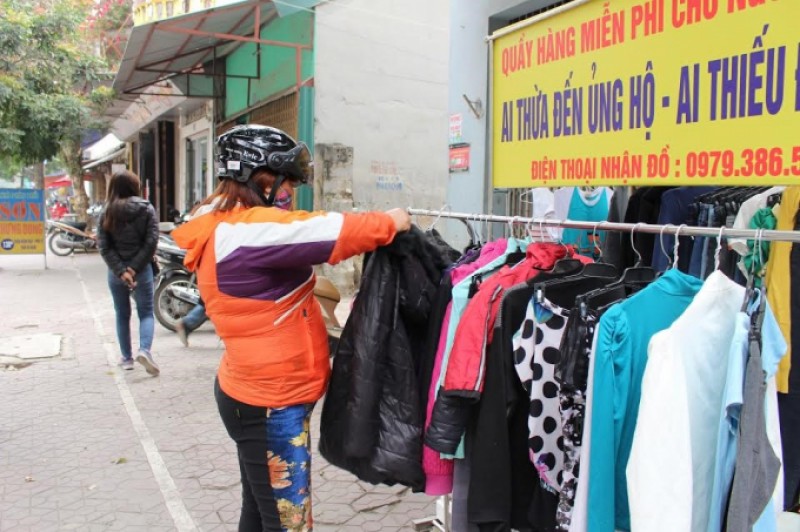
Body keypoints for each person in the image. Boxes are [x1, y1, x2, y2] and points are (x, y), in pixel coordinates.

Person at [172, 124, 410, 531]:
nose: (289, 192)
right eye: (283, 182)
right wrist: (393, 221)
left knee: (261, 513)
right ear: (256, 179)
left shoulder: (224, 221)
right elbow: (330, 230)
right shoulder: (244, 233)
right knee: (288, 523)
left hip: (259, 396)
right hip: (269, 405)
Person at [97, 170, 160, 375]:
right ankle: (145, 350)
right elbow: (151, 242)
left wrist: (122, 271)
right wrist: (134, 268)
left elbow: (104, 247)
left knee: (122, 315)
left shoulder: (107, 211)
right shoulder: (147, 209)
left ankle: (126, 358)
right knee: (146, 313)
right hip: (142, 271)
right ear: (135, 186)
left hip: (116, 274)